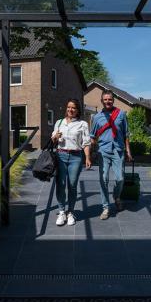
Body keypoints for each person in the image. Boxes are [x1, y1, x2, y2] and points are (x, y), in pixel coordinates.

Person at [90, 90, 133, 220]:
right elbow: (92, 136)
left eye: (110, 99)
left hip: (118, 150)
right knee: (103, 179)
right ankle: (105, 207)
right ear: (102, 101)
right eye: (105, 99)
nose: (108, 101)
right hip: (103, 151)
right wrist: (92, 151)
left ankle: (117, 196)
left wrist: (128, 150)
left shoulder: (121, 114)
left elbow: (126, 134)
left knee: (120, 178)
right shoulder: (96, 117)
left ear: (113, 100)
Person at [51, 99, 92, 226]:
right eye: (69, 107)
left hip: (76, 157)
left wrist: (87, 157)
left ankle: (71, 212)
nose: (70, 110)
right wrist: (55, 137)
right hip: (61, 155)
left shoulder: (83, 124)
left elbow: (86, 143)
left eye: (73, 108)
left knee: (72, 185)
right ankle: (62, 211)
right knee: (60, 184)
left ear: (78, 110)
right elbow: (53, 140)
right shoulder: (59, 122)